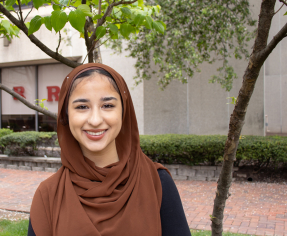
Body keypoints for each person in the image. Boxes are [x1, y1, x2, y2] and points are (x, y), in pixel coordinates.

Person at [28, 63, 191, 236]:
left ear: (124, 111)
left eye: (107, 105)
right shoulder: (48, 195)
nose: (95, 120)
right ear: (66, 115)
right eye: (82, 107)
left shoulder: (157, 182)